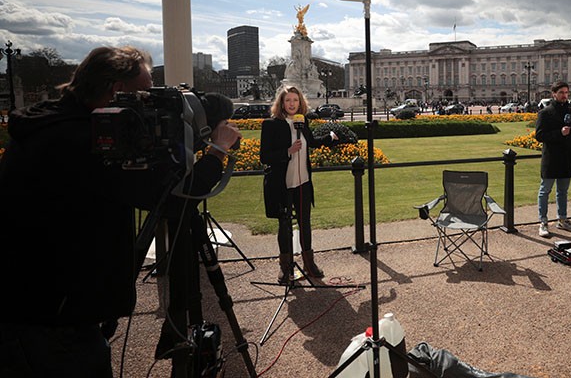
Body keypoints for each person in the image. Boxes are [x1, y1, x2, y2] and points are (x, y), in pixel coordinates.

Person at [0, 46, 241, 378]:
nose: (150, 102)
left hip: (39, 302)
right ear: (115, 90)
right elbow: (174, 198)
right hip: (51, 312)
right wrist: (217, 151)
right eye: (143, 93)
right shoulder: (83, 140)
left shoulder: (52, 122)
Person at [261, 85, 339, 284]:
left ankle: (309, 263)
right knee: (284, 224)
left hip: (303, 182)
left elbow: (311, 142)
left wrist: (330, 139)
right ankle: (285, 267)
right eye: (288, 101)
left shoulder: (302, 122)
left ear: (300, 102)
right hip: (282, 184)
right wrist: (287, 151)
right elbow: (265, 156)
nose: (292, 104)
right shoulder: (271, 125)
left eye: (295, 100)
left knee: (305, 223)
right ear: (281, 103)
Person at [534, 81, 571, 237]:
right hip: (551, 158)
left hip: (567, 157)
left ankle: (562, 219)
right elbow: (539, 136)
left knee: (563, 191)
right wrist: (559, 133)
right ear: (553, 93)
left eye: (567, 92)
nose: (564, 95)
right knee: (545, 191)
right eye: (561, 92)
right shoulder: (545, 113)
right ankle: (543, 221)